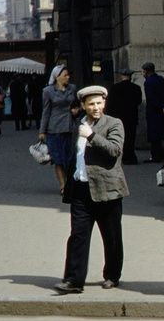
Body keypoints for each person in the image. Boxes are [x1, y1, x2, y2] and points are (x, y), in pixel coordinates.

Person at [54, 86, 129, 294]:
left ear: (104, 103)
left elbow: (115, 150)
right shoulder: (78, 124)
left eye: (99, 103)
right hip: (81, 188)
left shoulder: (114, 123)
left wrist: (92, 136)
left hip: (107, 190)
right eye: (91, 104)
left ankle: (112, 275)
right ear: (83, 106)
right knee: (78, 235)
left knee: (111, 236)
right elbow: (74, 155)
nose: (96, 107)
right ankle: (73, 280)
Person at [38, 65, 79, 194]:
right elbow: (46, 111)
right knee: (58, 159)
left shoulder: (72, 88)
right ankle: (63, 185)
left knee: (70, 158)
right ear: (56, 77)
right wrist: (42, 131)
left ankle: (70, 182)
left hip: (69, 127)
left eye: (68, 75)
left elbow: (80, 104)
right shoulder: (48, 91)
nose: (68, 77)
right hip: (54, 128)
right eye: (65, 75)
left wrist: (77, 110)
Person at [106, 68, 142, 165]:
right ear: (130, 77)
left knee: (120, 137)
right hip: (132, 117)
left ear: (121, 76)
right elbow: (139, 101)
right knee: (131, 137)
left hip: (119, 117)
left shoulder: (114, 88)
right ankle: (130, 156)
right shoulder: (136, 88)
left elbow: (110, 104)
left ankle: (121, 156)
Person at [142, 61, 164, 163]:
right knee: (163, 132)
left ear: (146, 71)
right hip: (162, 110)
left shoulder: (148, 82)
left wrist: (159, 106)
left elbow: (151, 98)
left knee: (154, 135)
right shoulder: (160, 79)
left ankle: (156, 156)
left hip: (153, 111)